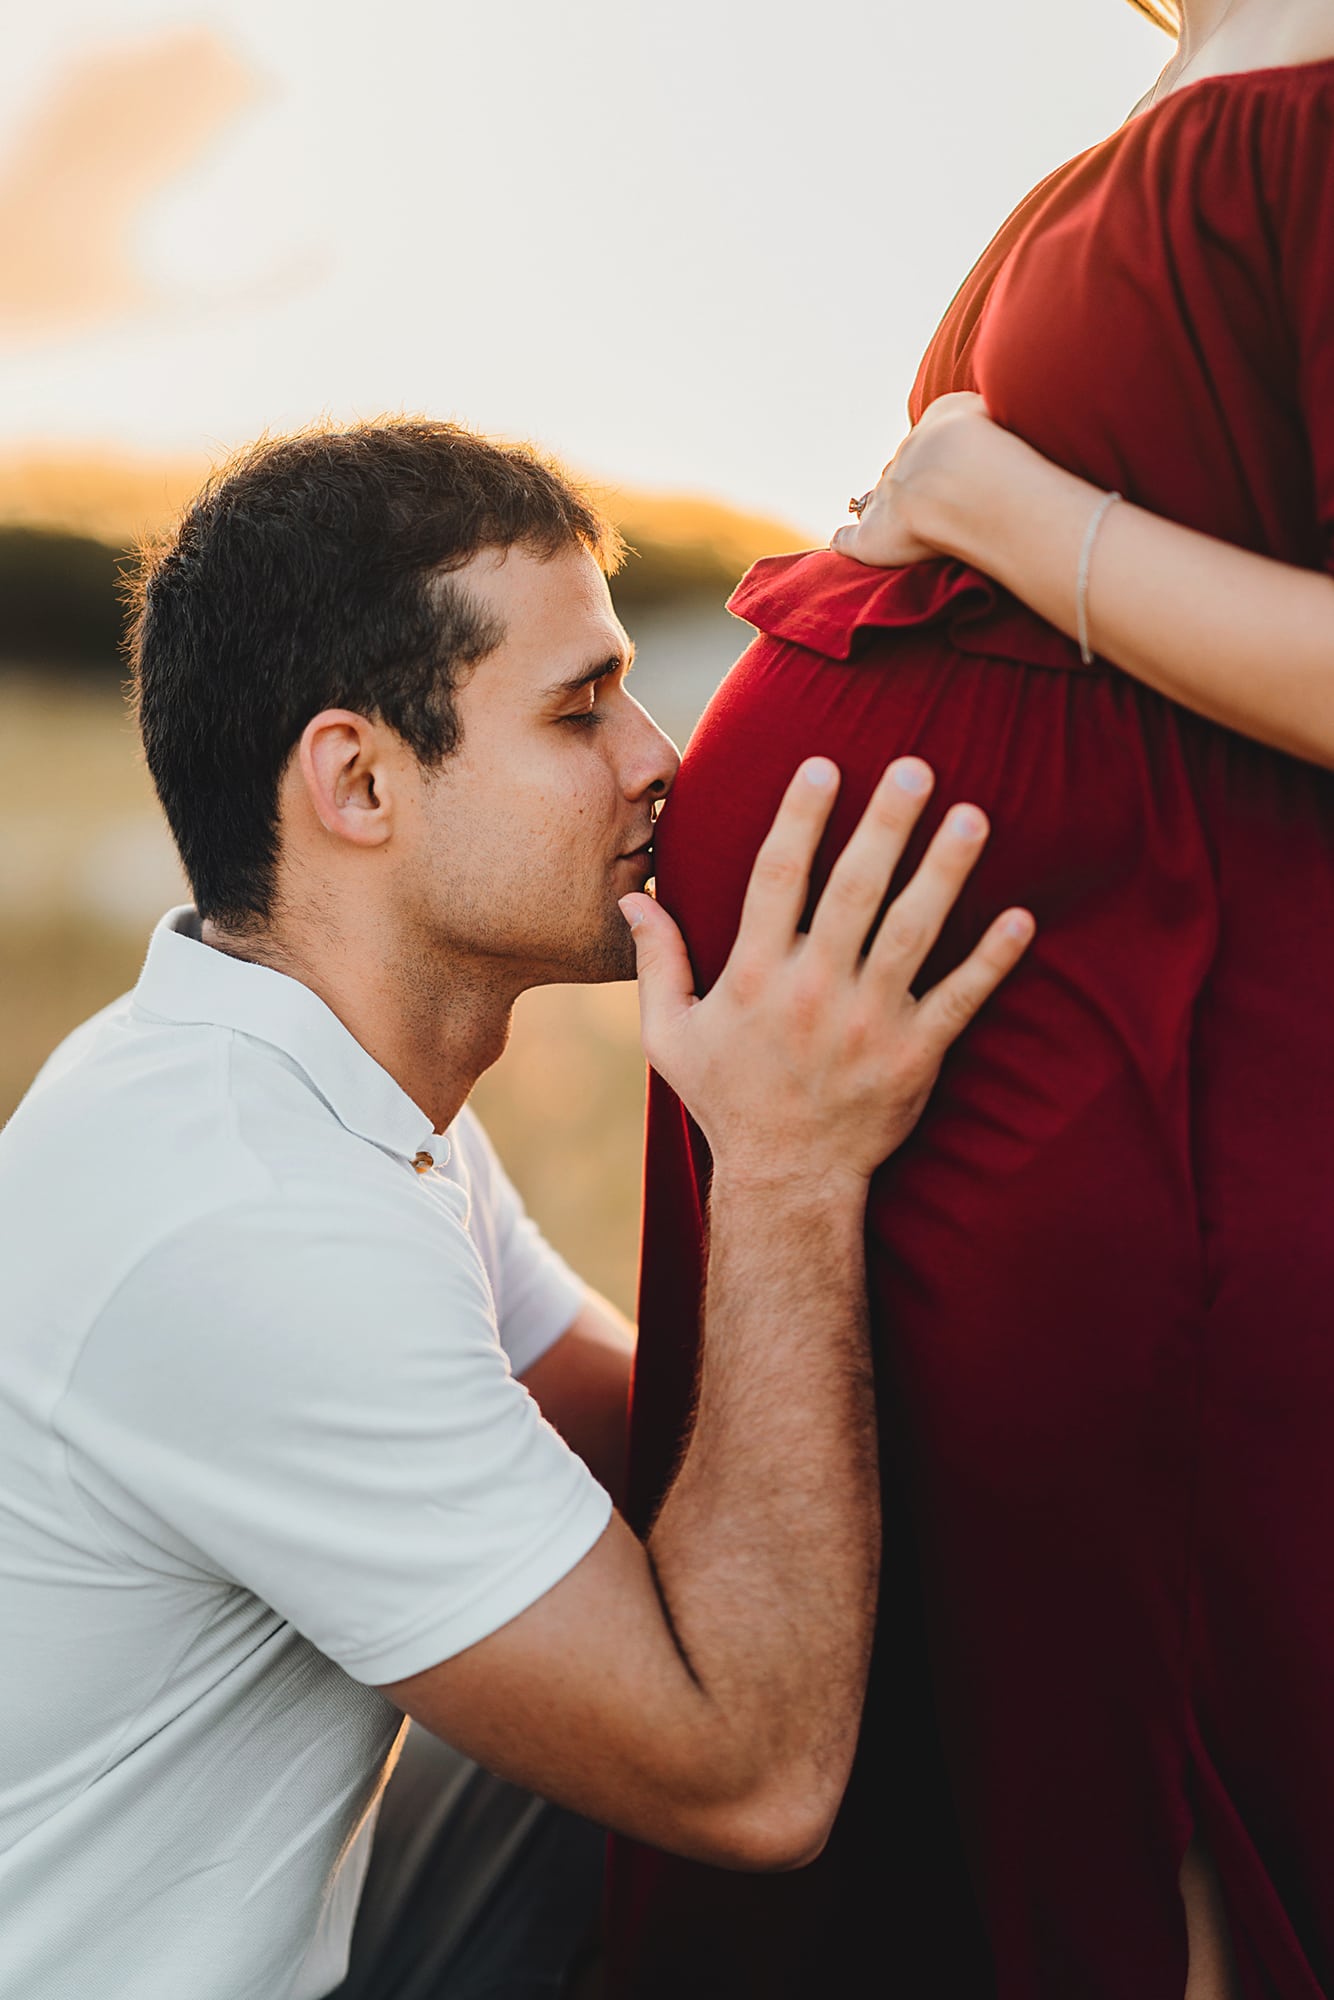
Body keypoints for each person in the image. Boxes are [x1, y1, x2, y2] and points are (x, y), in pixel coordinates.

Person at [0, 421, 1032, 2000]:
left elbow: (648, 1458)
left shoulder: (296, 1085)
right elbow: (750, 1779)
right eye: (577, 710)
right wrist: (783, 1166)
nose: (657, 759)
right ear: (356, 779)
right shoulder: (249, 1218)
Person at [606, 4, 1334, 1997]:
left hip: (1140, 1081)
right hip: (992, 1090)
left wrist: (995, 505)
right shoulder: (1212, 67)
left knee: (1124, 1777)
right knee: (974, 1747)